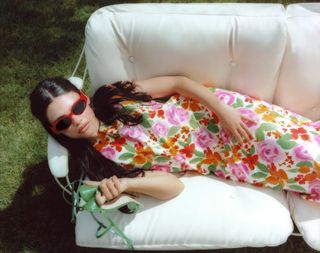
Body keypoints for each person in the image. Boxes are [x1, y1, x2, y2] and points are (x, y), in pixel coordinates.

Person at [29, 75, 320, 205]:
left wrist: (223, 110)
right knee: (308, 164)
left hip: (219, 116)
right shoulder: (102, 161)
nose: (77, 119)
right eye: (64, 121)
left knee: (301, 143)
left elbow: (177, 83)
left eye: (78, 107)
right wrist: (127, 185)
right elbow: (173, 186)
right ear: (57, 131)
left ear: (84, 99)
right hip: (223, 159)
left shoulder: (113, 96)